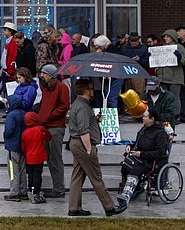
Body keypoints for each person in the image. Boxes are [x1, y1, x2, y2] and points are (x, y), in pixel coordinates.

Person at [68, 79, 126, 217]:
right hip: (83, 145)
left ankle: (74, 207)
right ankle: (109, 207)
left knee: (77, 176)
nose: (93, 91)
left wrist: (95, 119)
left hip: (77, 144)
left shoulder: (80, 104)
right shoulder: (82, 106)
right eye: (91, 89)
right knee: (96, 177)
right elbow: (83, 130)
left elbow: (84, 123)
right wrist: (89, 149)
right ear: (87, 91)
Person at [116, 107, 169, 208]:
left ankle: (126, 196)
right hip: (139, 158)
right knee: (125, 167)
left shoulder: (160, 133)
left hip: (152, 161)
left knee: (135, 170)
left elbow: (160, 152)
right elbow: (137, 143)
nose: (143, 118)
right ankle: (136, 188)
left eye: (145, 117)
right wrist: (130, 147)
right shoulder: (144, 129)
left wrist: (141, 154)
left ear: (152, 119)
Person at [36, 64, 70, 199]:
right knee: (50, 159)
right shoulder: (45, 88)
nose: (42, 76)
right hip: (45, 126)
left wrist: (49, 115)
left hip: (56, 127)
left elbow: (64, 106)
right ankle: (57, 187)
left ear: (51, 75)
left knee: (55, 159)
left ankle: (59, 188)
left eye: (44, 73)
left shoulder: (62, 88)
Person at [21, 111, 52, 204]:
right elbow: (49, 137)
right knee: (37, 175)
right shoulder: (40, 129)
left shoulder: (24, 133)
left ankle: (31, 190)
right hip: (39, 157)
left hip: (29, 157)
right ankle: (36, 193)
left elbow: (23, 147)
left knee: (31, 175)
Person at [1, 95, 27, 202]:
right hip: (23, 146)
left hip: (13, 146)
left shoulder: (11, 115)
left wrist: (5, 135)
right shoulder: (24, 114)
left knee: (13, 170)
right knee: (22, 169)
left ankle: (14, 193)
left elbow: (9, 131)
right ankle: (23, 191)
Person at [157, 29, 185, 117]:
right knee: (164, 97)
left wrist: (179, 56)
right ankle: (166, 115)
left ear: (173, 37)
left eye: (168, 37)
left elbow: (184, 61)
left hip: (175, 77)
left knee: (174, 97)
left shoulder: (179, 47)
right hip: (163, 76)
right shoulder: (162, 47)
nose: (165, 38)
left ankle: (176, 115)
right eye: (164, 37)